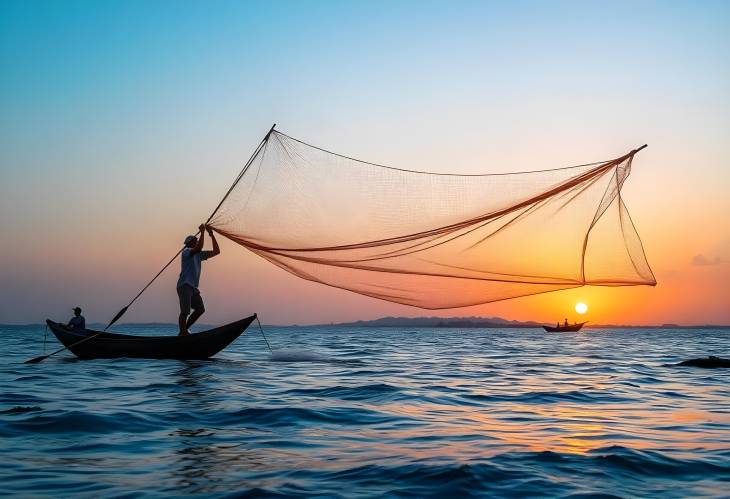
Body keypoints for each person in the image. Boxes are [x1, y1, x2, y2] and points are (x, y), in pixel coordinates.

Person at [177, 224, 220, 336]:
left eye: (197, 240)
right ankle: (183, 333)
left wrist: (211, 234)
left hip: (193, 287)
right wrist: (202, 232)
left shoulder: (199, 254)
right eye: (195, 241)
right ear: (190, 243)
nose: (197, 242)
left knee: (200, 309)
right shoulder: (186, 251)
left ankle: (184, 331)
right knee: (185, 312)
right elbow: (199, 247)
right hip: (184, 285)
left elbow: (216, 251)